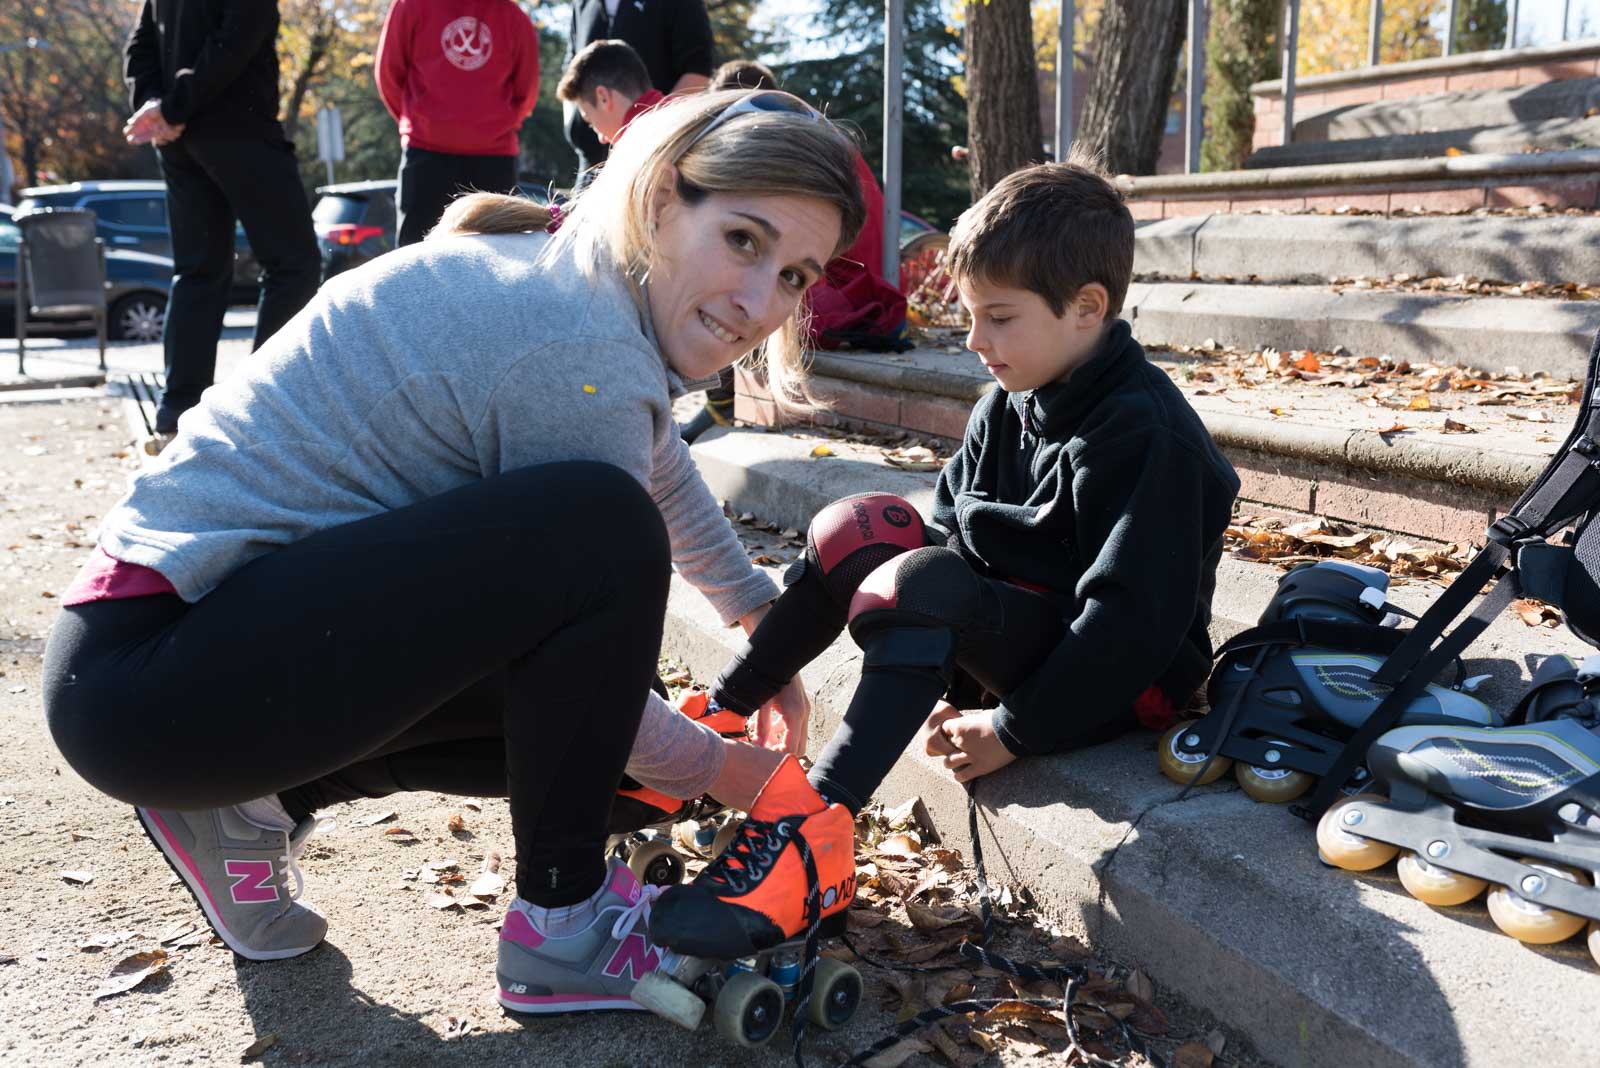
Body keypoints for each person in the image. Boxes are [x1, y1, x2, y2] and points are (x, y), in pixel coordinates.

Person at [44, 90, 865, 1013]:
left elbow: (657, 460)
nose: (762, 302)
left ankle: (244, 810)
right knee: (604, 563)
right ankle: (566, 929)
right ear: (664, 198)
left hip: (159, 674)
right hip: (155, 681)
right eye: (745, 240)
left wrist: (756, 621)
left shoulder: (578, 287)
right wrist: (736, 776)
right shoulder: (574, 342)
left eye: (797, 274)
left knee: (625, 768)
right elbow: (609, 530)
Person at [644, 156, 1241, 965]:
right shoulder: (1013, 396)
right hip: (1015, 635)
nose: (974, 341)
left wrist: (1011, 729)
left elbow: (1130, 625)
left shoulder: (1146, 435)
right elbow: (954, 536)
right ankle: (718, 716)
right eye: (970, 316)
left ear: (1087, 308)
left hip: (1116, 683)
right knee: (860, 525)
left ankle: (812, 841)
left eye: (999, 318)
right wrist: (932, 665)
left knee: (923, 581)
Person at [678, 59, 909, 444]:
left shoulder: (789, 149)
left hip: (843, 284)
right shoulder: (818, 138)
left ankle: (721, 402)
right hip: (854, 280)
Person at [122, 0, 321, 448]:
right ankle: (265, 406)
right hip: (238, 127)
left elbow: (139, 46)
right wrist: (170, 110)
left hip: (178, 142)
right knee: (294, 265)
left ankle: (177, 417)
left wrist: (157, 109)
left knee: (197, 272)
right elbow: (237, 39)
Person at [376, 0, 542, 247]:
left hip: (494, 159)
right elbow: (388, 74)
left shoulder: (513, 16)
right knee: (416, 257)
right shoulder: (410, 6)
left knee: (498, 256)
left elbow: (526, 91)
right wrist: (420, 123)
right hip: (426, 154)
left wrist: (495, 128)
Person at [564, 0, 714, 177]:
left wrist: (654, 137)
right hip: (590, 162)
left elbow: (698, 69)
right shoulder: (581, 4)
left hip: (653, 163)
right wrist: (575, 125)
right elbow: (569, 73)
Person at [557, 40, 666, 148]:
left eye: (591, 123)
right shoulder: (680, 117)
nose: (602, 139)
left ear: (603, 98)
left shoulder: (634, 154)